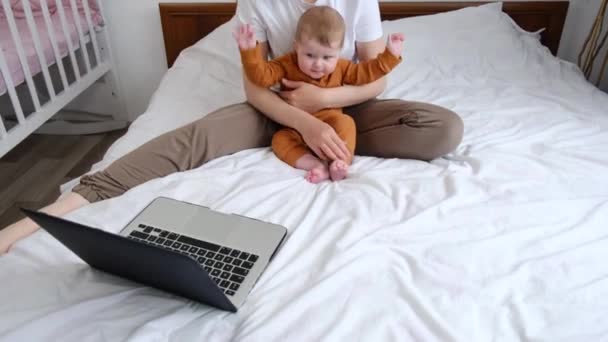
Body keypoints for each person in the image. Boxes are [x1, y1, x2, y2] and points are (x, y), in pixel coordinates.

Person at [0, 0, 463, 254]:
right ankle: (43, 218)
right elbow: (255, 87)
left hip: (344, 103)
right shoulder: (257, 3)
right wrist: (302, 119)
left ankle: (328, 141)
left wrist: (325, 102)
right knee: (192, 139)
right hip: (274, 109)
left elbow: (373, 76)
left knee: (441, 129)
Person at [235, 6, 404, 182]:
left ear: (338, 53)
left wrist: (390, 56)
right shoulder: (286, 64)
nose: (318, 64)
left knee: (346, 123)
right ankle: (314, 164)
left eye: (327, 57)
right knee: (280, 139)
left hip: (331, 122)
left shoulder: (342, 67)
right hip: (294, 126)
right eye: (309, 55)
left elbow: (369, 73)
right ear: (296, 47)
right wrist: (249, 53)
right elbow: (261, 76)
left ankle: (339, 162)